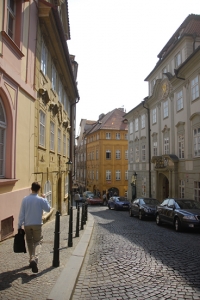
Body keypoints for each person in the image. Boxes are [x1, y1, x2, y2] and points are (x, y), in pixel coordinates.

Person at [18, 182, 51, 273]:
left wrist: (19, 225)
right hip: (37, 223)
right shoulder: (41, 199)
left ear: (31, 188)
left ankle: (31, 259)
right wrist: (45, 199)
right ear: (39, 190)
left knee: (29, 241)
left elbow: (22, 213)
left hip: (27, 224)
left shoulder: (25, 199)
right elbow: (48, 209)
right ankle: (34, 258)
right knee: (38, 241)